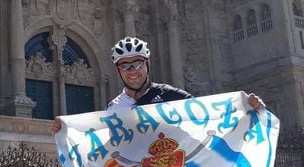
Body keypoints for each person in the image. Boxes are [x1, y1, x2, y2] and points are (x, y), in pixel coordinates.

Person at [51, 37, 265, 133]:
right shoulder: (113, 109)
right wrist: (67, 130)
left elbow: (209, 117)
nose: (132, 71)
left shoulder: (172, 96)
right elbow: (101, 143)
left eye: (137, 64)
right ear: (118, 71)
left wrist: (247, 108)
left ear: (147, 64)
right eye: (125, 67)